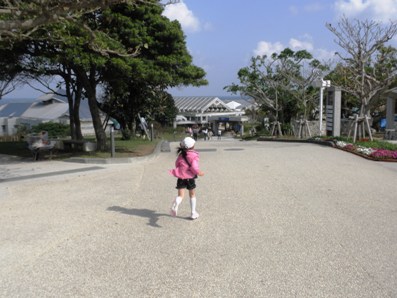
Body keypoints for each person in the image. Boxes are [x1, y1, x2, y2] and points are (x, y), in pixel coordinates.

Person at [169, 137, 204, 220]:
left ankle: (177, 202)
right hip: (190, 178)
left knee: (180, 195)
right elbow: (195, 168)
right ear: (192, 147)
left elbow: (177, 164)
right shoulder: (193, 155)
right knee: (192, 194)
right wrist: (199, 172)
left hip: (181, 177)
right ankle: (193, 213)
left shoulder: (181, 155)